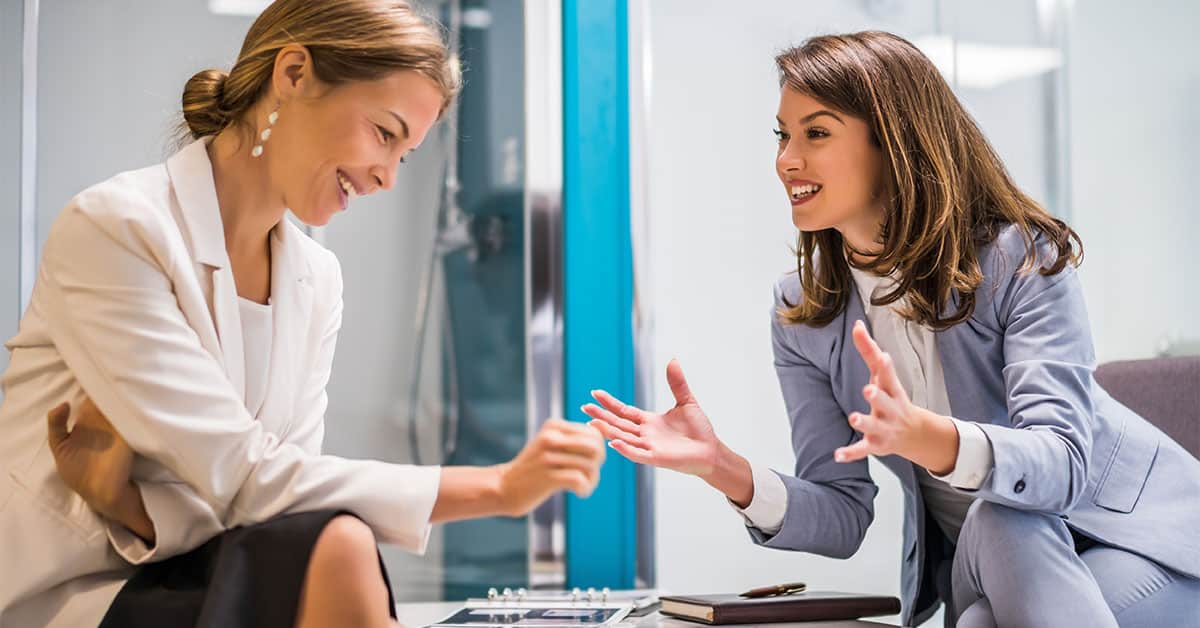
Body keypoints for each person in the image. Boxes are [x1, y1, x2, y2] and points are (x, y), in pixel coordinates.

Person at [0, 2, 604, 626]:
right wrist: (498, 488)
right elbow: (251, 478)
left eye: (406, 155)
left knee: (336, 536)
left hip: (206, 560)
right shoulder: (117, 228)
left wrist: (133, 504)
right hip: (81, 591)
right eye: (385, 134)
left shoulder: (317, 282)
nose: (386, 178)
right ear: (293, 74)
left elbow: (283, 496)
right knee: (338, 540)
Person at [585, 31, 1200, 628]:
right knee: (996, 525)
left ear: (894, 144)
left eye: (816, 133)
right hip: (990, 560)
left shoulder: (1019, 257)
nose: (785, 160)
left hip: (1137, 543)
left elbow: (1062, 463)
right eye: (783, 135)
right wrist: (725, 470)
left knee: (995, 557)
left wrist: (928, 436)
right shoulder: (805, 311)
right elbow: (844, 512)